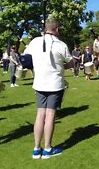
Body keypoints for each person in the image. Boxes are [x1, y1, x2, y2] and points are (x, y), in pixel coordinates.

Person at [24, 18, 73, 159]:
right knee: (50, 115)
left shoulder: (34, 42)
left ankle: (36, 148)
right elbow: (70, 64)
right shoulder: (61, 45)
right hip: (55, 84)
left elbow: (26, 57)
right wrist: (60, 66)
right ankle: (47, 149)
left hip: (39, 83)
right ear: (57, 29)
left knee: (40, 114)